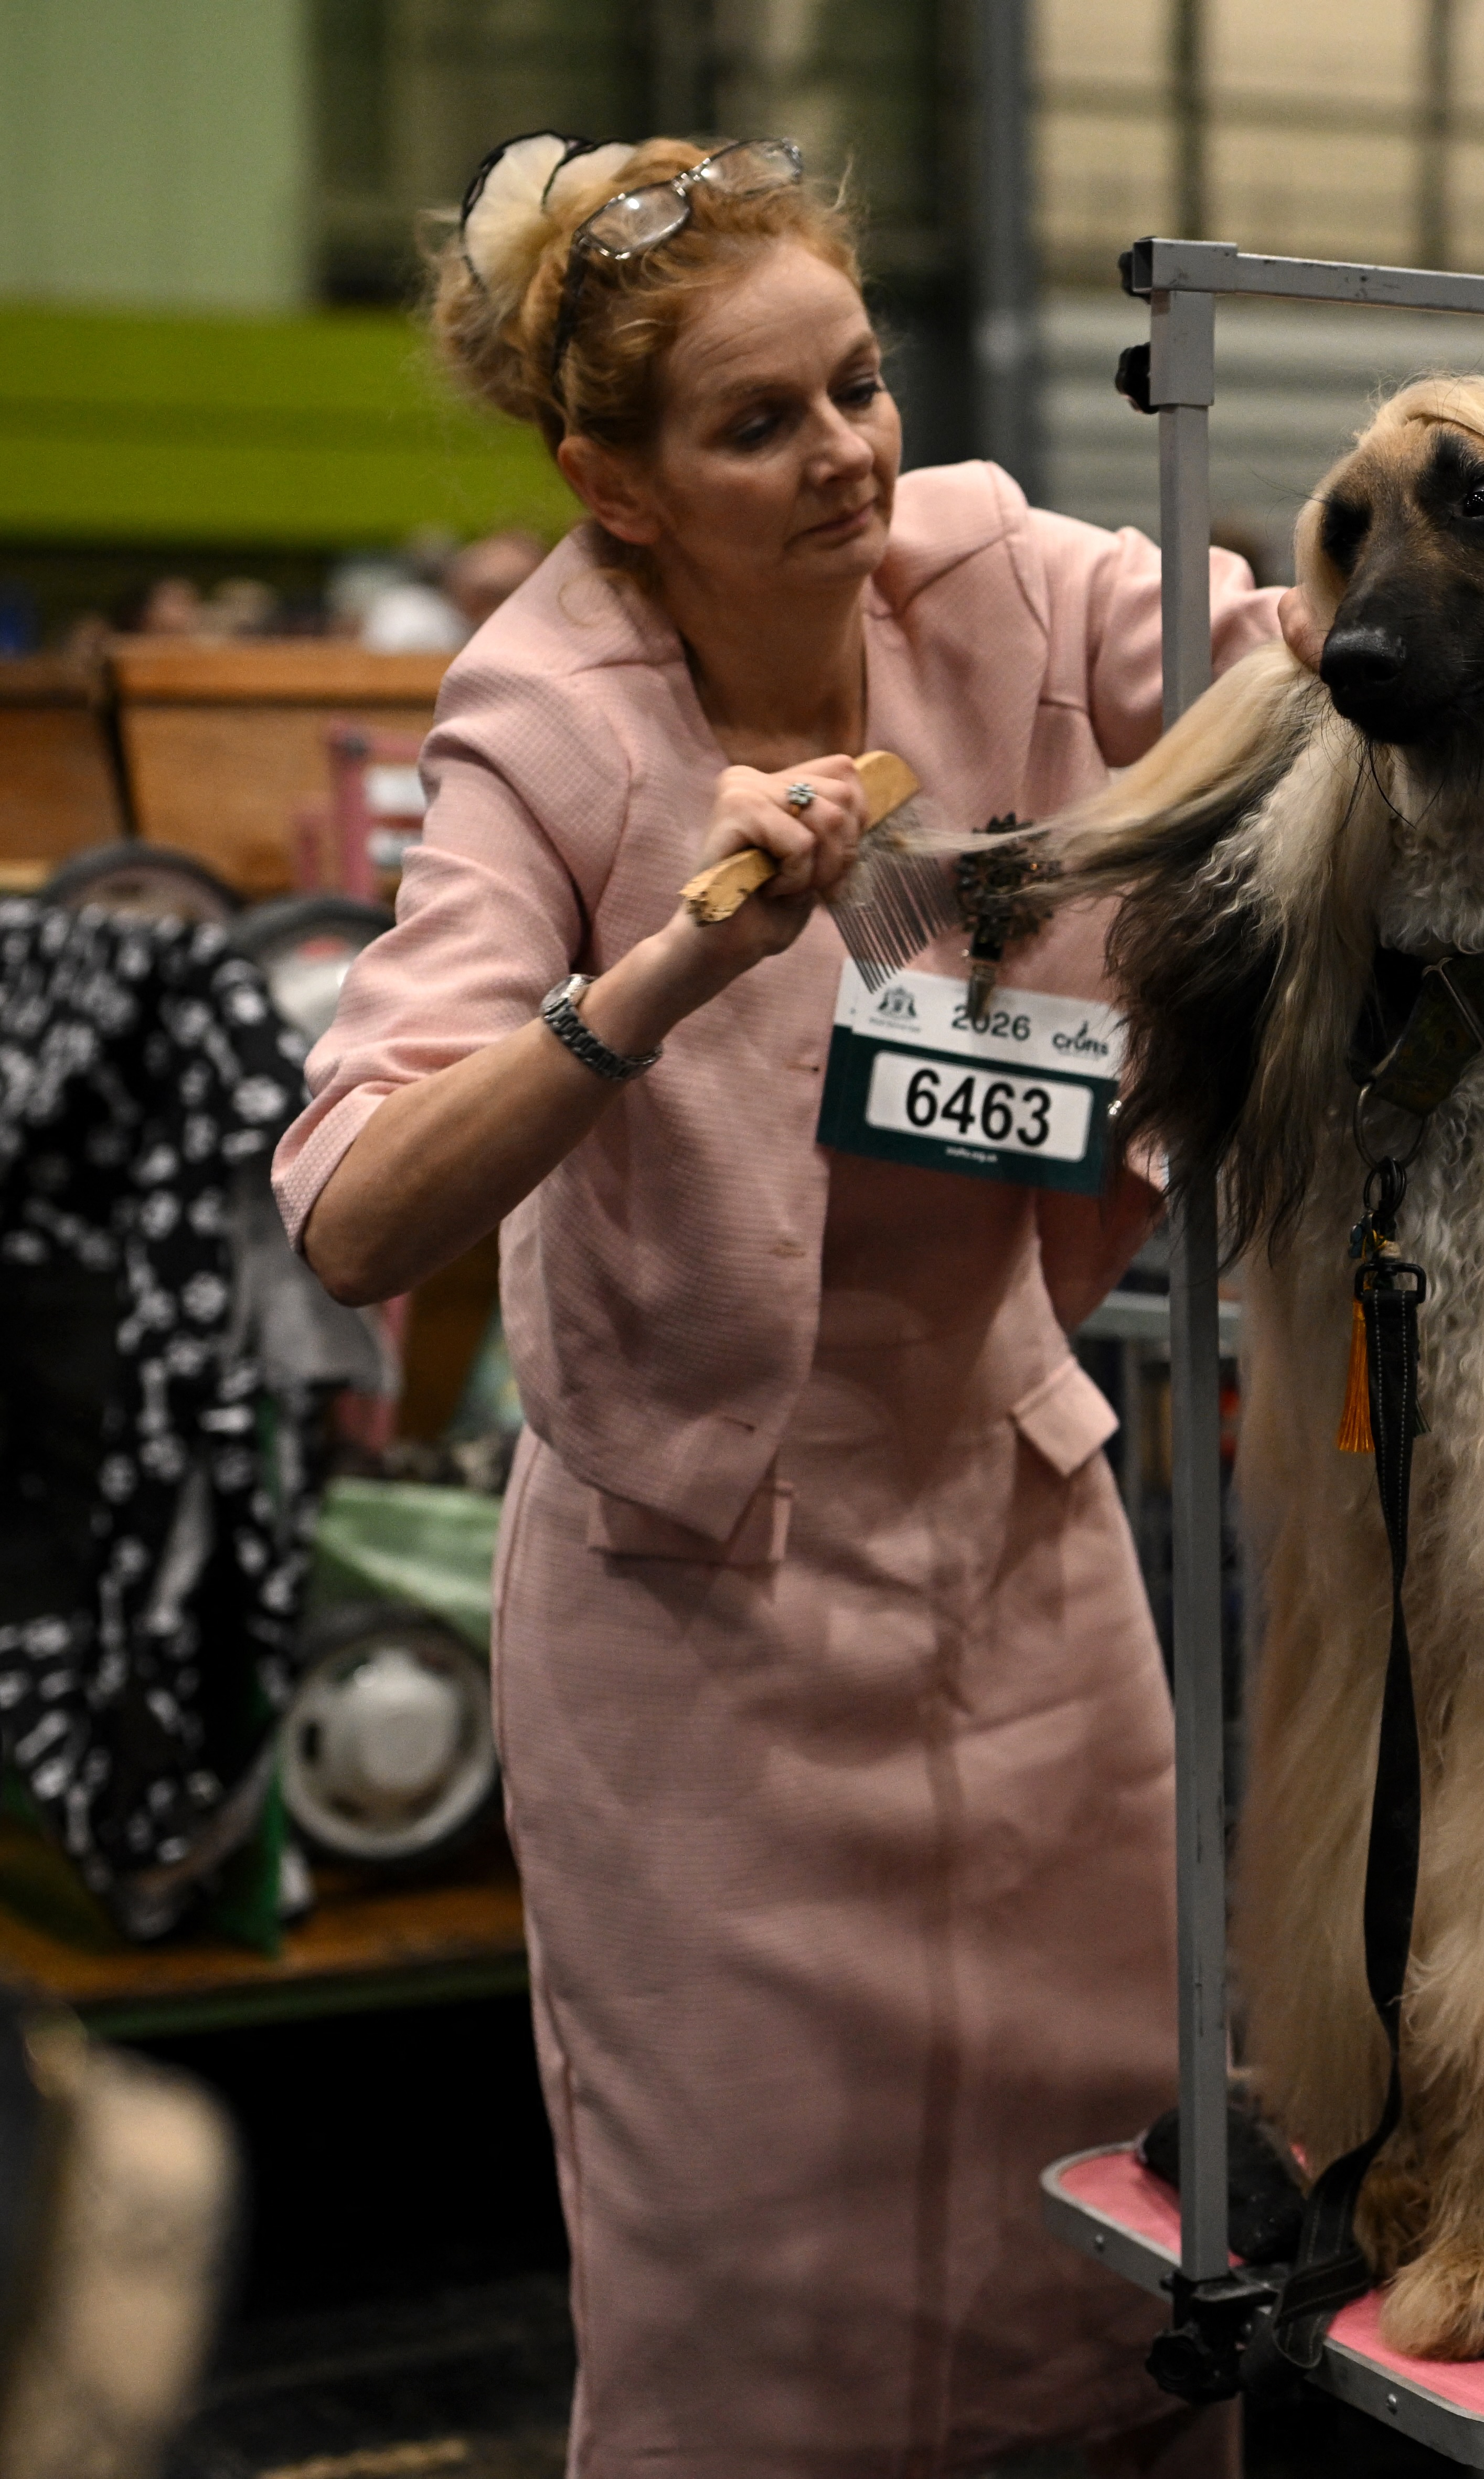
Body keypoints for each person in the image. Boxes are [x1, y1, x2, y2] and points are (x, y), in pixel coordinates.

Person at [274, 132, 1285, 2475]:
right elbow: (349, 1214)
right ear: (609, 483)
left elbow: (1250, 667)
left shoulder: (1007, 567)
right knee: (755, 2332)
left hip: (1025, 1562)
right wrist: (674, 962)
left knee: (1118, 2281)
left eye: (858, 384)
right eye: (760, 424)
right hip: (692, 1631)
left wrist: (1347, 630)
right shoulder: (547, 713)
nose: (846, 454)